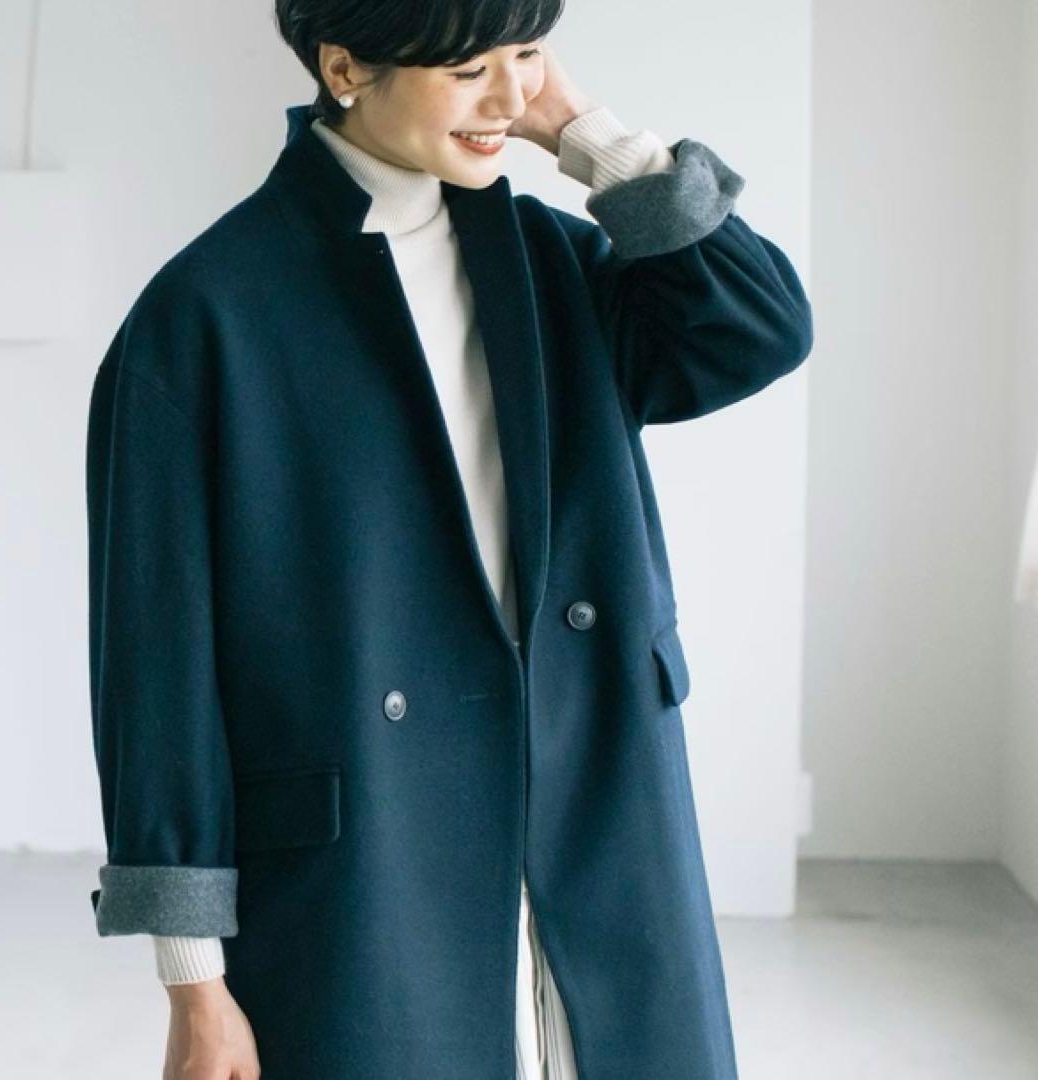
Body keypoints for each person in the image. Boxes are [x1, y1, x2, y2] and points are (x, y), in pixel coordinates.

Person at [85, 1, 813, 1077]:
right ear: (343, 67)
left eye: (528, 56)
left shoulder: (558, 265)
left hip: (600, 809)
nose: (511, 96)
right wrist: (195, 983)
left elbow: (759, 325)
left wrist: (588, 135)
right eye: (470, 69)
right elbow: (159, 671)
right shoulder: (206, 316)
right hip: (368, 862)